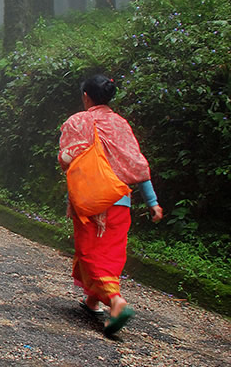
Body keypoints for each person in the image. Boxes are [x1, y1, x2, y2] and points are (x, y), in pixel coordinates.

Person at [58, 74, 163, 335]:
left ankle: (116, 303)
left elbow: (67, 159)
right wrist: (152, 202)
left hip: (92, 202)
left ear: (86, 96)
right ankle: (92, 302)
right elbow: (137, 164)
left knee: (90, 253)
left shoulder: (78, 121)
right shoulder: (120, 124)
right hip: (120, 201)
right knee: (111, 253)